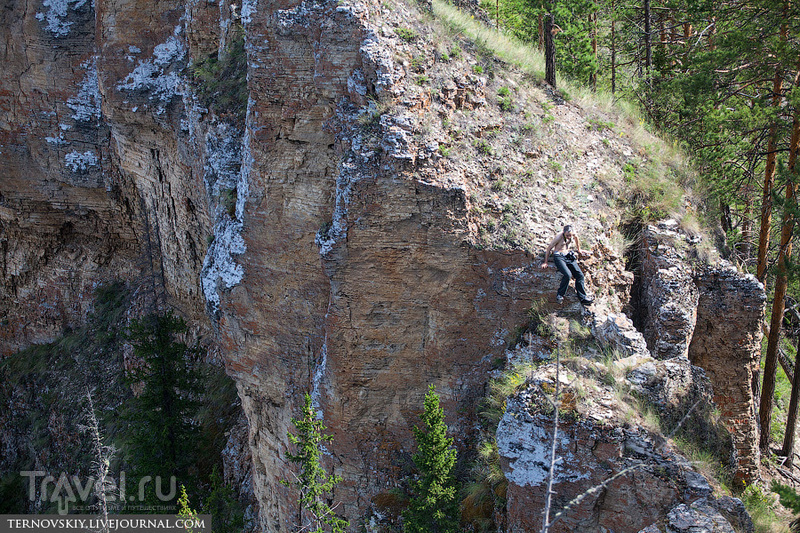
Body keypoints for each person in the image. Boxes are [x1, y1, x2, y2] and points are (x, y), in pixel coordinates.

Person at [540, 225, 593, 306]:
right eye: (567, 235)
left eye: (570, 235)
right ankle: (560, 295)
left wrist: (579, 249)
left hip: (567, 255)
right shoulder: (558, 237)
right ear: (563, 232)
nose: (569, 237)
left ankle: (583, 298)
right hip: (559, 256)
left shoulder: (573, 234)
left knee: (580, 275)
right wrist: (545, 262)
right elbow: (549, 248)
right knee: (567, 275)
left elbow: (576, 238)